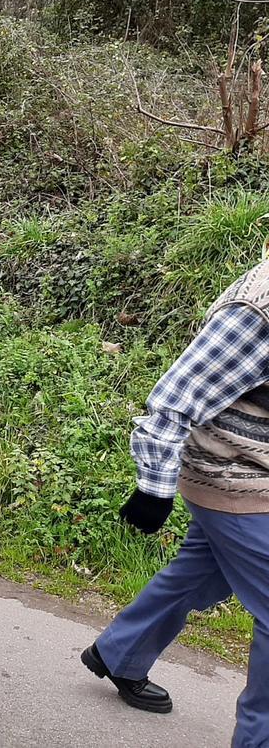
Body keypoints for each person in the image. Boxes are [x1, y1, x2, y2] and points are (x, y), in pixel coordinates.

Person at [81, 254, 269, 746]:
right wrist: (154, 487)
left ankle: (120, 652)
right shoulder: (258, 311)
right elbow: (174, 398)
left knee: (201, 572)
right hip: (235, 476)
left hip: (254, 470)